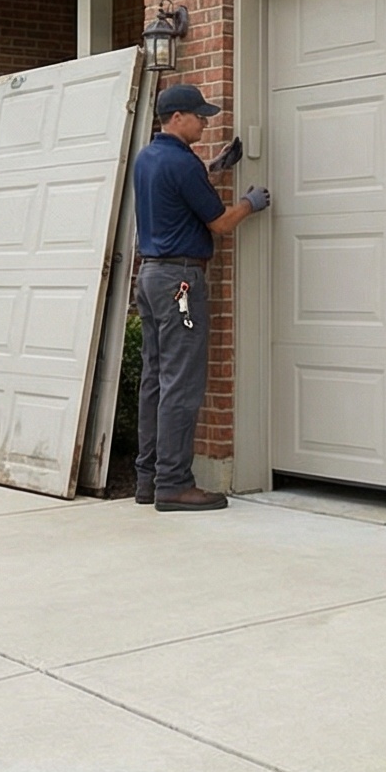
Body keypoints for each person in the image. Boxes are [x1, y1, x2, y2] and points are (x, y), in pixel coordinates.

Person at [129, 82, 268, 511]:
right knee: (181, 383)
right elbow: (221, 224)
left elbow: (179, 191)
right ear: (176, 119)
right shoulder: (183, 164)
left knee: (155, 379)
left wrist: (215, 168)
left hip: (151, 277)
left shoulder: (148, 158)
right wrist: (250, 203)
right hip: (181, 284)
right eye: (199, 116)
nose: (205, 122)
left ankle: (148, 479)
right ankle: (174, 484)